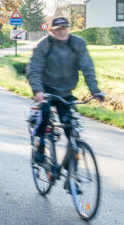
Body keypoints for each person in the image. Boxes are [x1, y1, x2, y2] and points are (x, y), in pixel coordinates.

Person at [28, 16, 104, 167]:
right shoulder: (43, 45)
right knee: (43, 117)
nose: (62, 32)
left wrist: (95, 90)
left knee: (71, 127)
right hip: (46, 90)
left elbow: (87, 67)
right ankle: (39, 150)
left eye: (65, 28)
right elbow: (34, 69)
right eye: (58, 29)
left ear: (69, 29)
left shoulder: (77, 43)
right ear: (51, 30)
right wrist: (38, 91)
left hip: (66, 92)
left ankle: (71, 168)